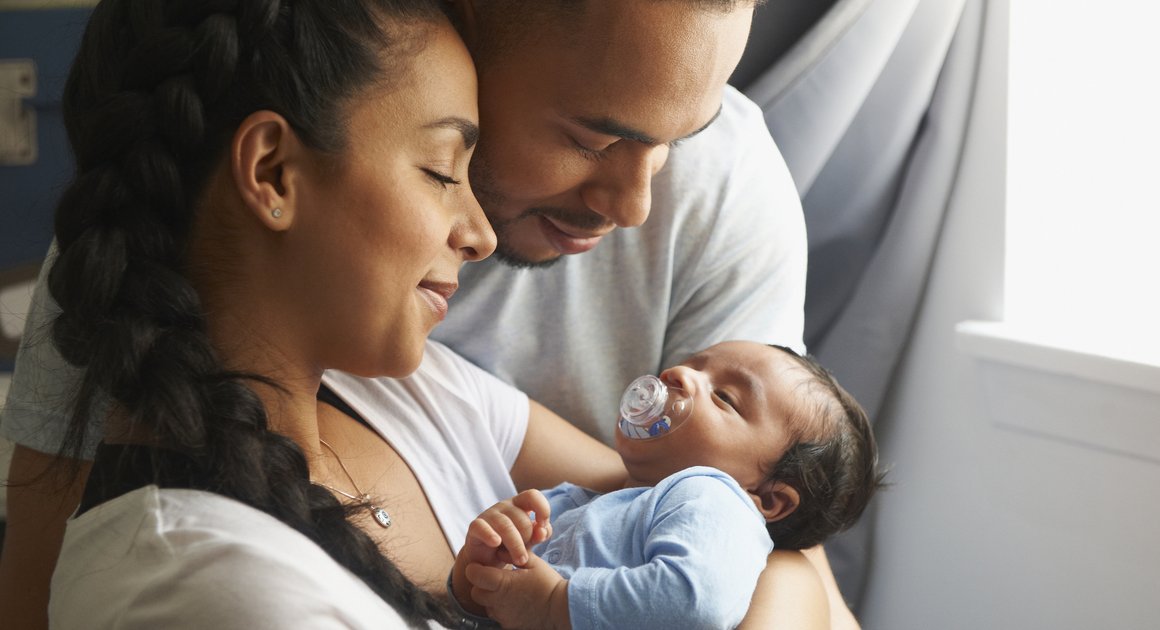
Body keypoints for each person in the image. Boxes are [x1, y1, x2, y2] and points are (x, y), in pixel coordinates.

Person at [2, 0, 855, 628]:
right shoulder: (153, 255)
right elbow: (42, 592)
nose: (636, 202)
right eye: (591, 140)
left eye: (678, 141)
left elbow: (770, 525)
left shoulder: (427, 395)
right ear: (463, 40)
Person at [13, 0, 516, 626]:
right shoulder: (209, 588)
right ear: (272, 172)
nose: (481, 234)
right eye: (441, 172)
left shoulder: (249, 524)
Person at [450, 342, 883, 629]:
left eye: (724, 397)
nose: (679, 374)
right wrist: (481, 567)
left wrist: (555, 603)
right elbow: (487, 607)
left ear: (767, 498)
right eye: (695, 364)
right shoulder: (586, 501)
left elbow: (695, 601)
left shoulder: (714, 498)